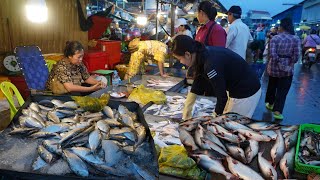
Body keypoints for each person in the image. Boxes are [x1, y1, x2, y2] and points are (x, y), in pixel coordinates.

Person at [172, 35, 261, 119]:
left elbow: (222, 97)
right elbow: (199, 78)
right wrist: (189, 103)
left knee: (234, 126)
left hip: (246, 92)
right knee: (227, 117)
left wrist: (215, 116)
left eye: (179, 59)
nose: (180, 62)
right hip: (237, 89)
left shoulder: (210, 64)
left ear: (187, 54)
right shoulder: (202, 54)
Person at [265, 18, 301, 120]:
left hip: (274, 68)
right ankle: (277, 111)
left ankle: (270, 103)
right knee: (283, 90)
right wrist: (288, 63)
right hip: (288, 69)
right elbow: (296, 56)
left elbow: (272, 54)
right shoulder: (296, 39)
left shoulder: (275, 38)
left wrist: (279, 62)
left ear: (281, 27)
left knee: (272, 85)